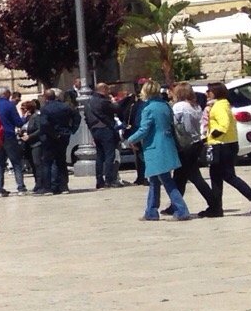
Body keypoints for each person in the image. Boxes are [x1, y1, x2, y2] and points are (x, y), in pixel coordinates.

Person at [125, 81, 192, 221]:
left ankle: (181, 209)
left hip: (155, 147)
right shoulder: (165, 106)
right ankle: (151, 210)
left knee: (166, 180)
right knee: (155, 179)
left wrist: (130, 139)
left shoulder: (148, 109)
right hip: (167, 144)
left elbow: (144, 129)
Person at [204, 81, 251, 217]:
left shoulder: (219, 107)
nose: (207, 94)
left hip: (222, 145)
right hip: (227, 144)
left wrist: (213, 134)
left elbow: (224, 124)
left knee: (228, 175)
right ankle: (216, 207)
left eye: (209, 91)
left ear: (215, 92)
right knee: (215, 176)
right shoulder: (223, 104)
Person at [168, 83, 218, 216]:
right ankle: (175, 204)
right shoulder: (196, 106)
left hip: (186, 145)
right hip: (196, 142)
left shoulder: (179, 107)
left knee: (195, 177)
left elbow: (183, 127)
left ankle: (214, 205)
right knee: (180, 176)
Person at [39, 89, 79, 194]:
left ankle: (48, 188)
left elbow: (44, 124)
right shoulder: (65, 106)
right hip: (64, 136)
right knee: (61, 161)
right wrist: (72, 129)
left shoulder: (45, 109)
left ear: (46, 97)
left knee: (47, 163)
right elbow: (77, 116)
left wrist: (53, 134)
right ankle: (64, 186)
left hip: (49, 138)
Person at [84, 88, 121, 189]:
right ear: (104, 90)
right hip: (106, 129)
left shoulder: (88, 103)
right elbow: (116, 109)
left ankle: (99, 181)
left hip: (95, 130)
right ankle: (109, 180)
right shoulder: (103, 102)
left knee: (99, 156)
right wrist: (113, 101)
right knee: (110, 155)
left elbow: (86, 118)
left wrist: (91, 129)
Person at [0, 88, 27, 193]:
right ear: (5, 94)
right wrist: (24, 118)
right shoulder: (9, 105)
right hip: (8, 136)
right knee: (16, 162)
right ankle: (20, 187)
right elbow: (18, 122)